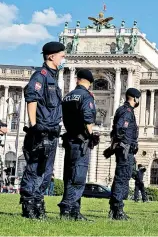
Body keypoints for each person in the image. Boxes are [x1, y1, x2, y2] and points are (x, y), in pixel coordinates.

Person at [20, 41, 64, 219]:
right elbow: (32, 99)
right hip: (41, 131)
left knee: (45, 173)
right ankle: (28, 205)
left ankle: (38, 204)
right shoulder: (40, 75)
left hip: (52, 131)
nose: (63, 59)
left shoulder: (53, 78)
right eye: (62, 56)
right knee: (34, 170)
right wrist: (34, 125)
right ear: (51, 56)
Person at [58, 69, 99, 221]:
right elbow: (88, 118)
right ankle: (68, 208)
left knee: (69, 175)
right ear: (89, 82)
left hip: (69, 139)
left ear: (77, 79)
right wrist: (92, 135)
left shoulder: (68, 96)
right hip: (81, 141)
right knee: (78, 177)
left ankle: (74, 211)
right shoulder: (86, 96)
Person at [104, 88, 141, 220]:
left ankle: (115, 208)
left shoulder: (121, 109)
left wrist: (114, 146)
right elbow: (120, 129)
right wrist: (123, 144)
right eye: (138, 99)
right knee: (122, 178)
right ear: (135, 98)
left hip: (123, 148)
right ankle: (117, 210)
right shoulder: (127, 111)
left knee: (121, 177)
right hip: (126, 149)